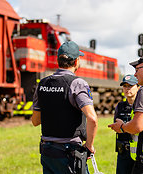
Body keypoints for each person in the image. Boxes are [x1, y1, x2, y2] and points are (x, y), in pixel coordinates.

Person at [31, 41, 98, 174]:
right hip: (69, 154)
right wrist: (89, 145)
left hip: (47, 152)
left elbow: (35, 121)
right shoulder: (77, 84)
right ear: (76, 61)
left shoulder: (42, 84)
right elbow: (92, 118)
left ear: (58, 60)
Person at [114, 74, 139, 174]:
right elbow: (116, 127)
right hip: (123, 152)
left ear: (138, 87)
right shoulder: (120, 106)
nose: (127, 88)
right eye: (125, 86)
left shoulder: (142, 105)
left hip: (139, 152)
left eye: (130, 86)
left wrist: (123, 126)